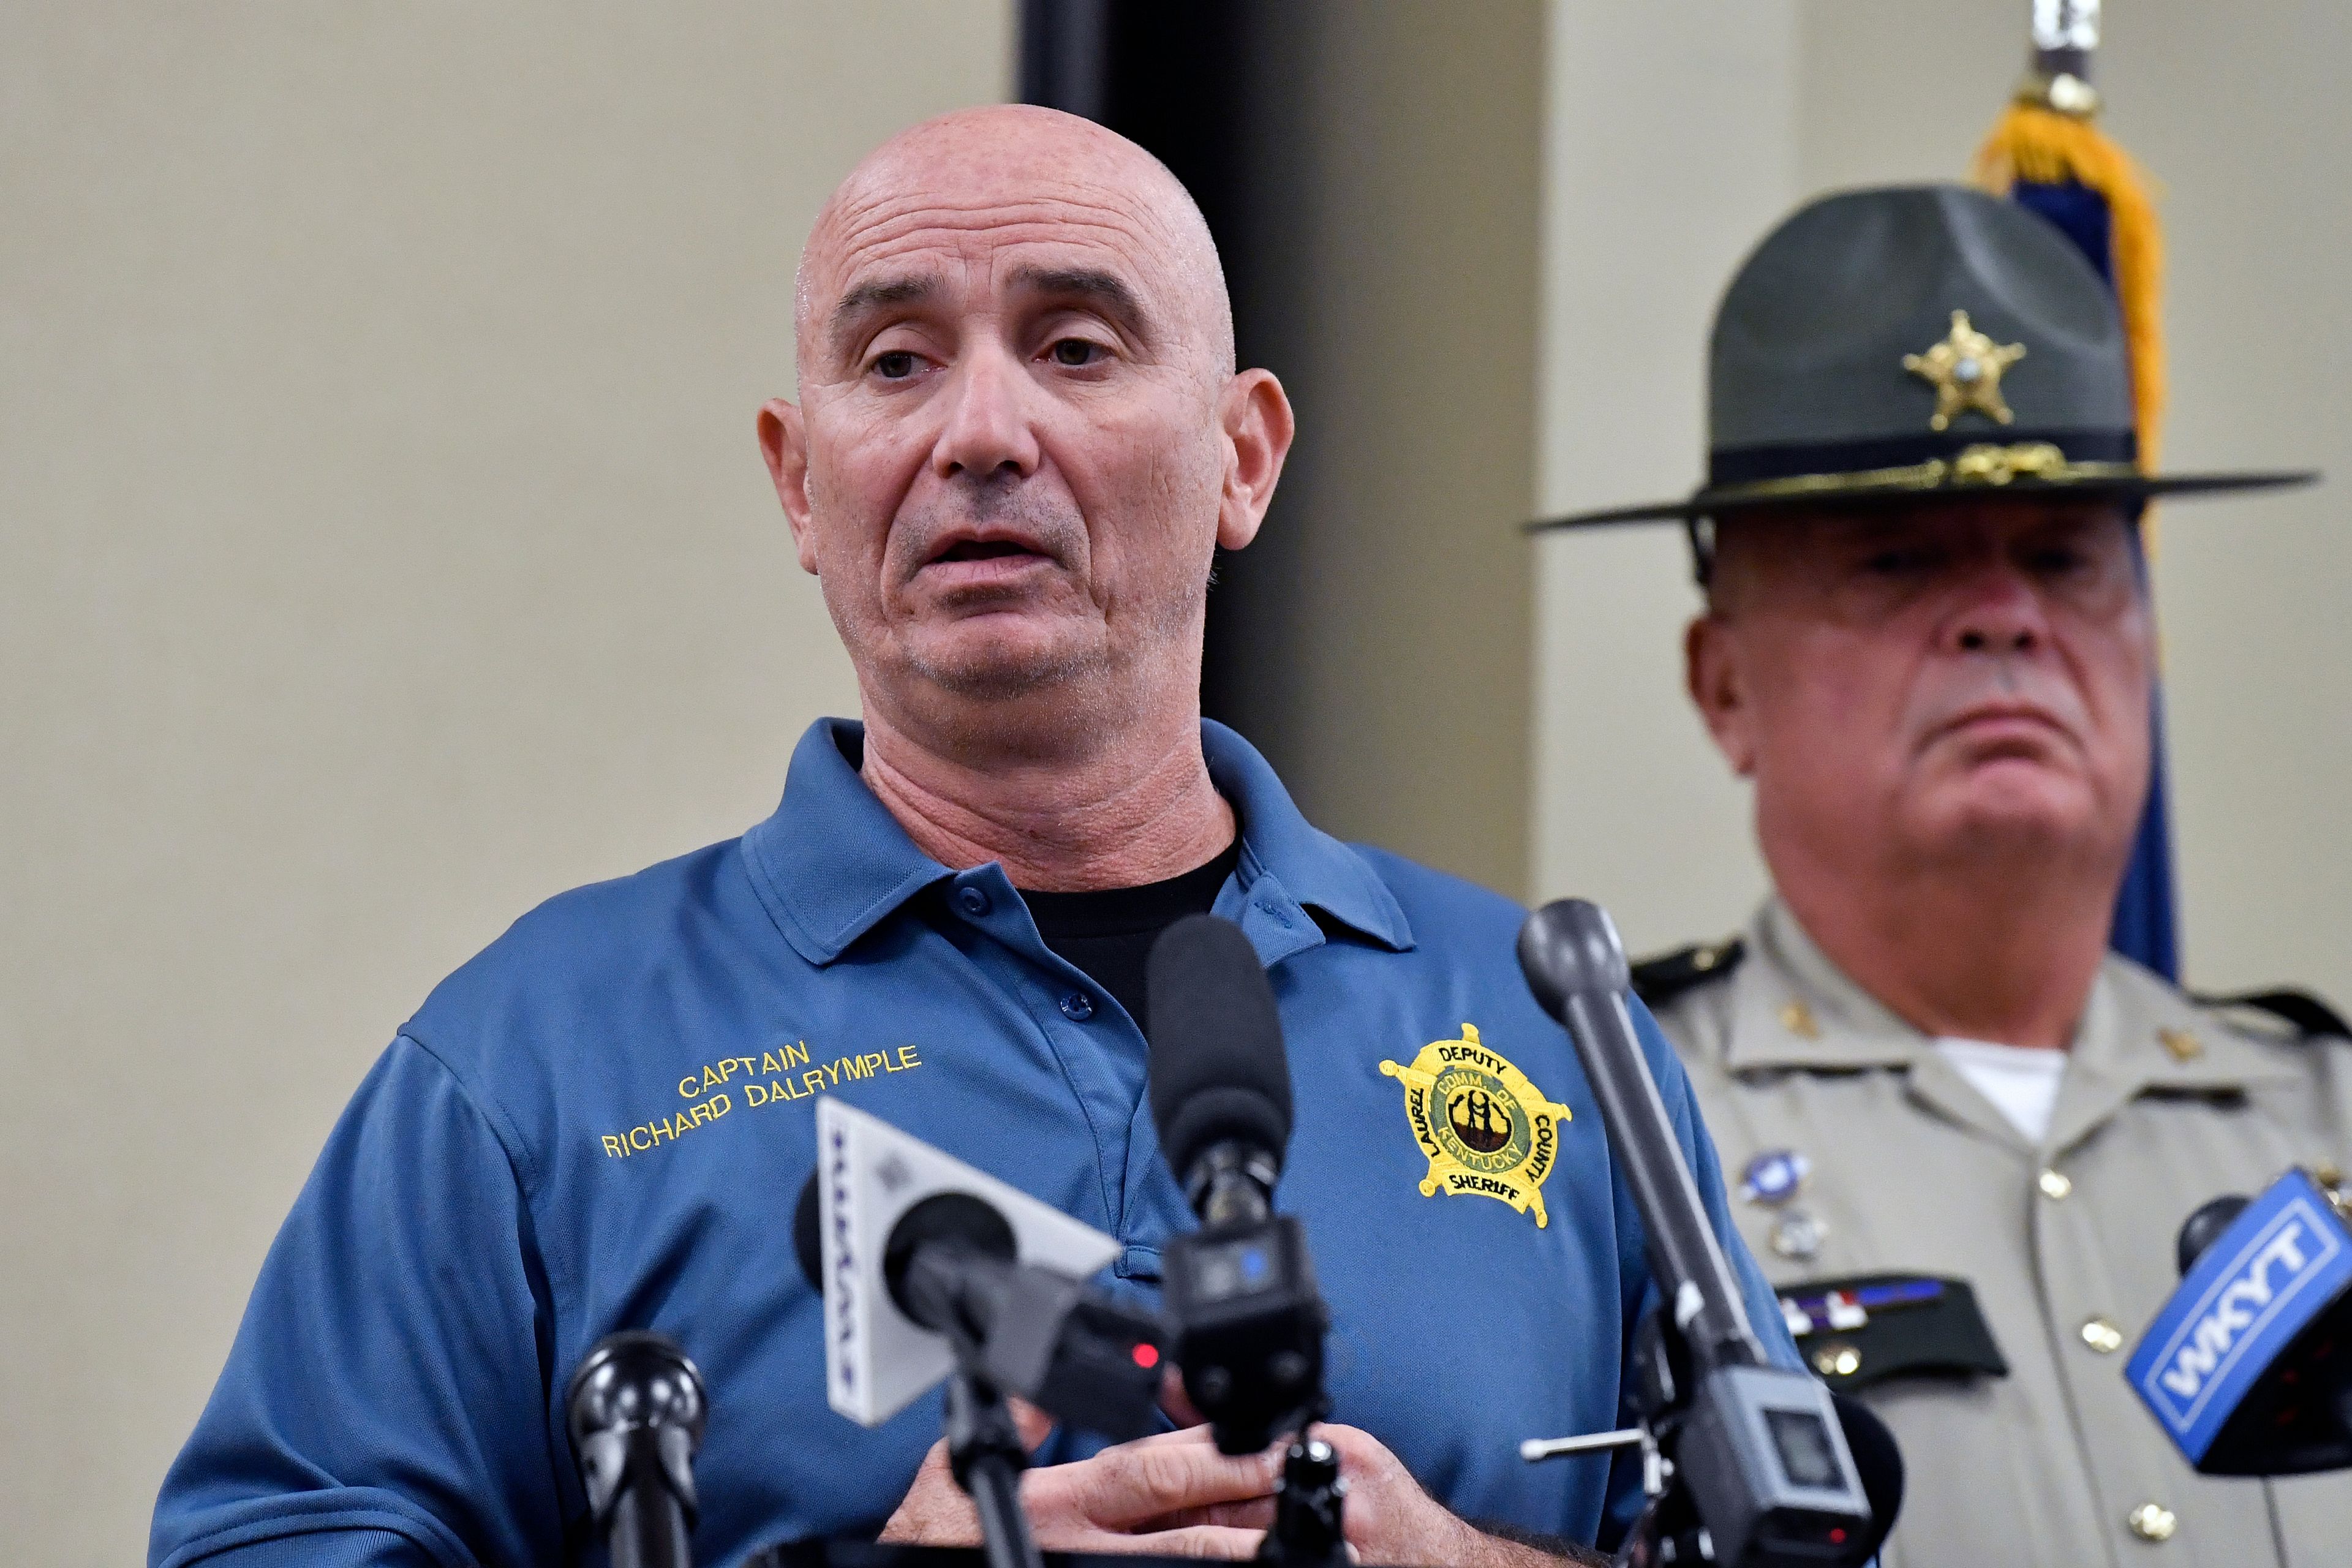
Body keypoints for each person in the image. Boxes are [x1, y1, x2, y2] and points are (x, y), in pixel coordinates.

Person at [152, 107, 1798, 1568]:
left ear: (1242, 455)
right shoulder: (537, 1059)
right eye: (895, 363)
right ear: (802, 489)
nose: (982, 432)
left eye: (1077, 346)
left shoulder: (1543, 1026)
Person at [1534, 183, 2351, 1567]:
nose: (2003, 617)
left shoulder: (2322, 1110)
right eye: (1899, 560)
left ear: (2148, 646)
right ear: (1722, 682)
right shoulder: (1616, 1147)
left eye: (2064, 557)